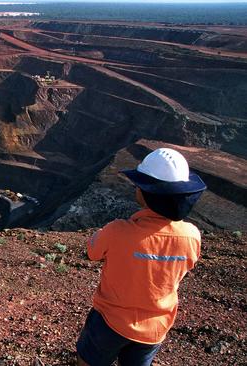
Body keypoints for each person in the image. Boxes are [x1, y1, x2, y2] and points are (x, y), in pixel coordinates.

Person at [76, 148, 207, 366]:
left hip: (110, 321)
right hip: (155, 327)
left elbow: (93, 252)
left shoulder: (118, 230)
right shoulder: (191, 236)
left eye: (139, 184)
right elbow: (187, 265)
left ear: (148, 193)